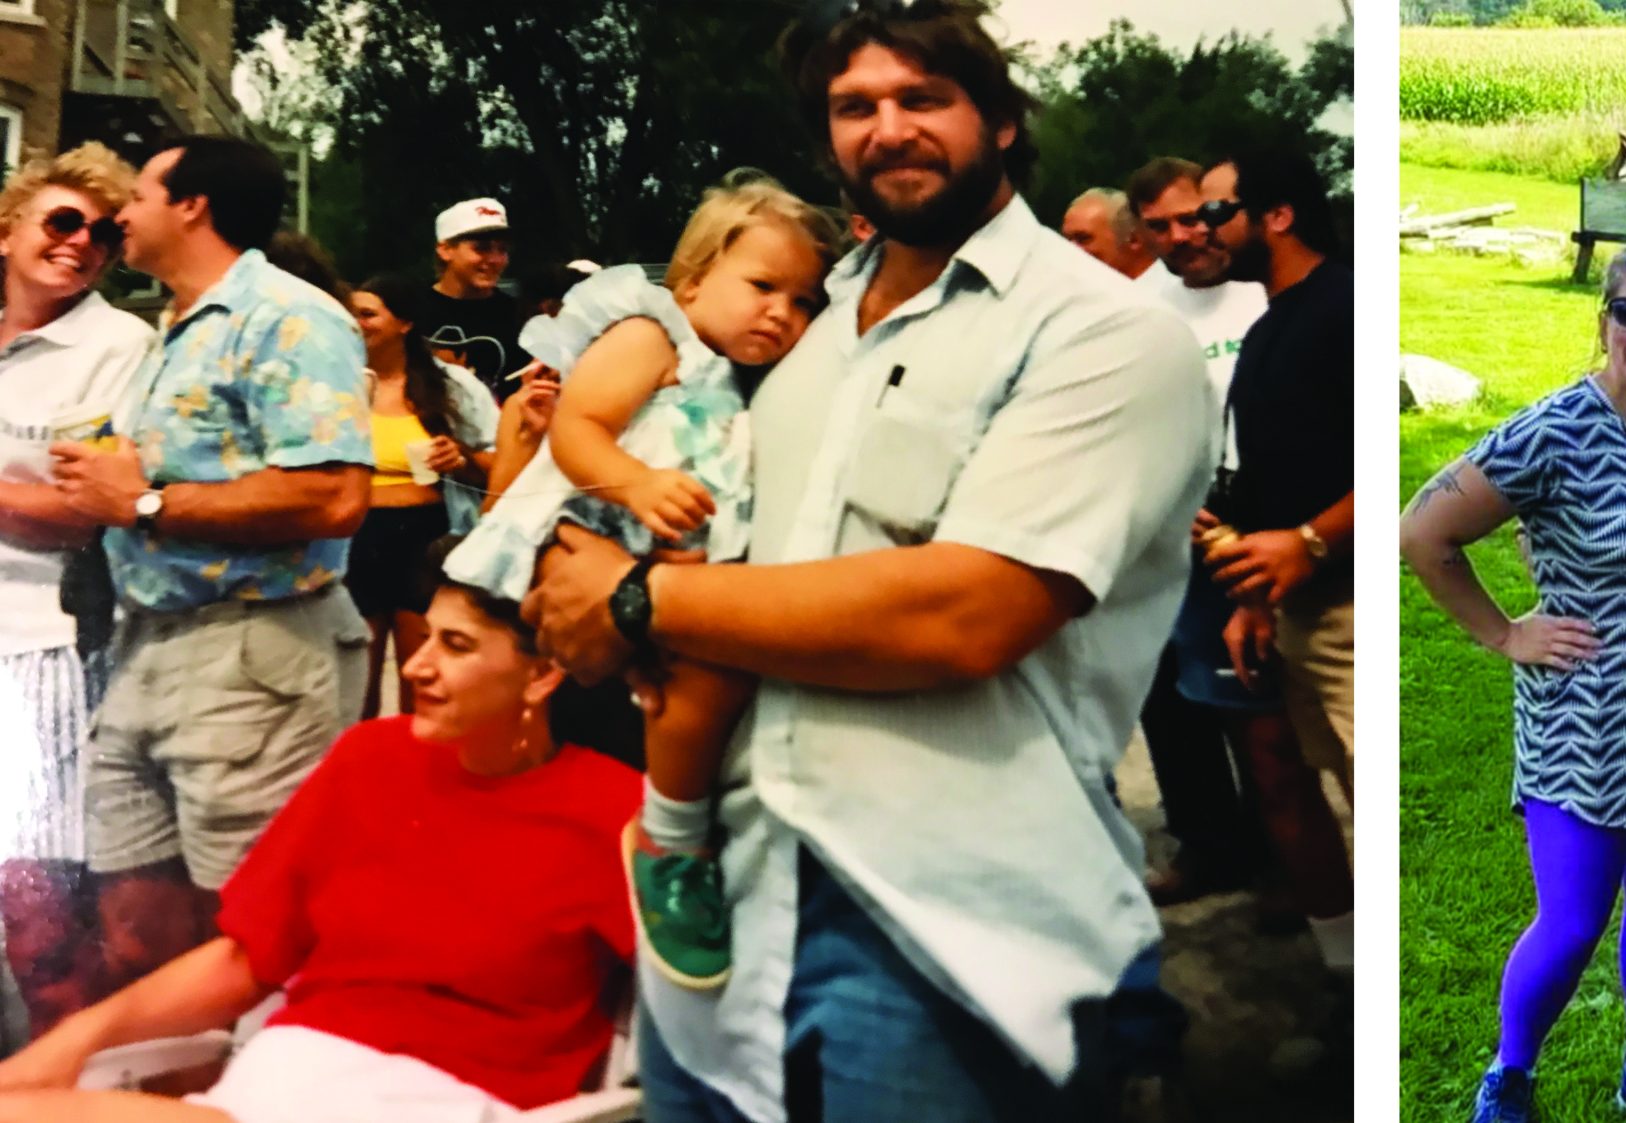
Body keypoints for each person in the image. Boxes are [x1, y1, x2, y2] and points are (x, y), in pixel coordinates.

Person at [517, 2, 1212, 1118]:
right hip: (728, 891)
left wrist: (642, 598)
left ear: (996, 120)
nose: (888, 128)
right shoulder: (799, 328)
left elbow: (964, 616)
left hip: (943, 919)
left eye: (921, 98)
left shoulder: (1100, 331)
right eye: (854, 107)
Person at [0, 537, 642, 1122]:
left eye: (457, 646)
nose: (416, 666)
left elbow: (681, 1014)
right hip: (290, 1076)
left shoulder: (613, 811)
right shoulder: (373, 760)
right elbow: (247, 957)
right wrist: (73, 1041)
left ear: (542, 674)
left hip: (448, 1100)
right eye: (429, 637)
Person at [447, 172, 836, 991]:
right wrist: (633, 482)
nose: (782, 313)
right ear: (694, 279)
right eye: (763, 286)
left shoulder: (751, 380)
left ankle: (668, 832)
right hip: (595, 531)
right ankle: (670, 835)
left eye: (802, 302)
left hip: (664, 570)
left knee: (690, 683)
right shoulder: (654, 334)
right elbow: (581, 430)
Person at [1404, 240, 1626, 1123]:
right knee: (1572, 920)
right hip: (1588, 717)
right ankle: (1509, 1073)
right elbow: (1421, 535)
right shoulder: (1552, 430)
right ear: (1603, 321)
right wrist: (1504, 632)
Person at [47, 135, 372, 995]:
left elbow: (334, 494)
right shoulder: (175, 325)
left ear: (193, 205)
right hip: (143, 643)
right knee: (136, 931)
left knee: (257, 931)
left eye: (142, 192)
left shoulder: (290, 317)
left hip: (253, 652)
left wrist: (145, 503)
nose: (121, 214)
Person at [0, 142, 154, 1038]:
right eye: (63, 221)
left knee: (41, 922)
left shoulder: (116, 346)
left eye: (102, 235)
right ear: (10, 227)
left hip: (40, 648)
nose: (82, 244)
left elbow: (88, 511)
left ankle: (70, 1086)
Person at [1113, 154, 1284, 906]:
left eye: (1193, 216)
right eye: (1159, 227)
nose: (1182, 236)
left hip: (1271, 523)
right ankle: (1209, 846)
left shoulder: (1264, 290)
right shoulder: (1136, 309)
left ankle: (1287, 865)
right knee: (1173, 703)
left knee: (1267, 713)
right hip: (1180, 527)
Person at [1202, 149, 1355, 809]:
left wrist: (1312, 541)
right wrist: (1255, 600)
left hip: (1351, 611)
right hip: (1297, 613)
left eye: (1216, 211)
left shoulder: (1346, 307)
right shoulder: (1267, 328)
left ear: (1279, 215)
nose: (1204, 228)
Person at [346, 273, 500, 718]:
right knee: (359, 681)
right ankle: (363, 774)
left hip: (424, 538)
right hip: (357, 537)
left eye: (368, 313)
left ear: (405, 323)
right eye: (351, 313)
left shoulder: (449, 385)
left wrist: (462, 456)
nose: (356, 323)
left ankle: (422, 775)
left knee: (424, 673)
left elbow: (502, 463)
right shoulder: (341, 384)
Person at [414, 197, 534, 402]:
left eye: (502, 250)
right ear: (445, 250)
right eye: (482, 248)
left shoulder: (520, 317)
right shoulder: (410, 308)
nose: (495, 260)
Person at [1059, 187, 1152, 279]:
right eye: (1066, 241)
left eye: (1083, 239)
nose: (1070, 250)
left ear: (1133, 239)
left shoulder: (1160, 293)